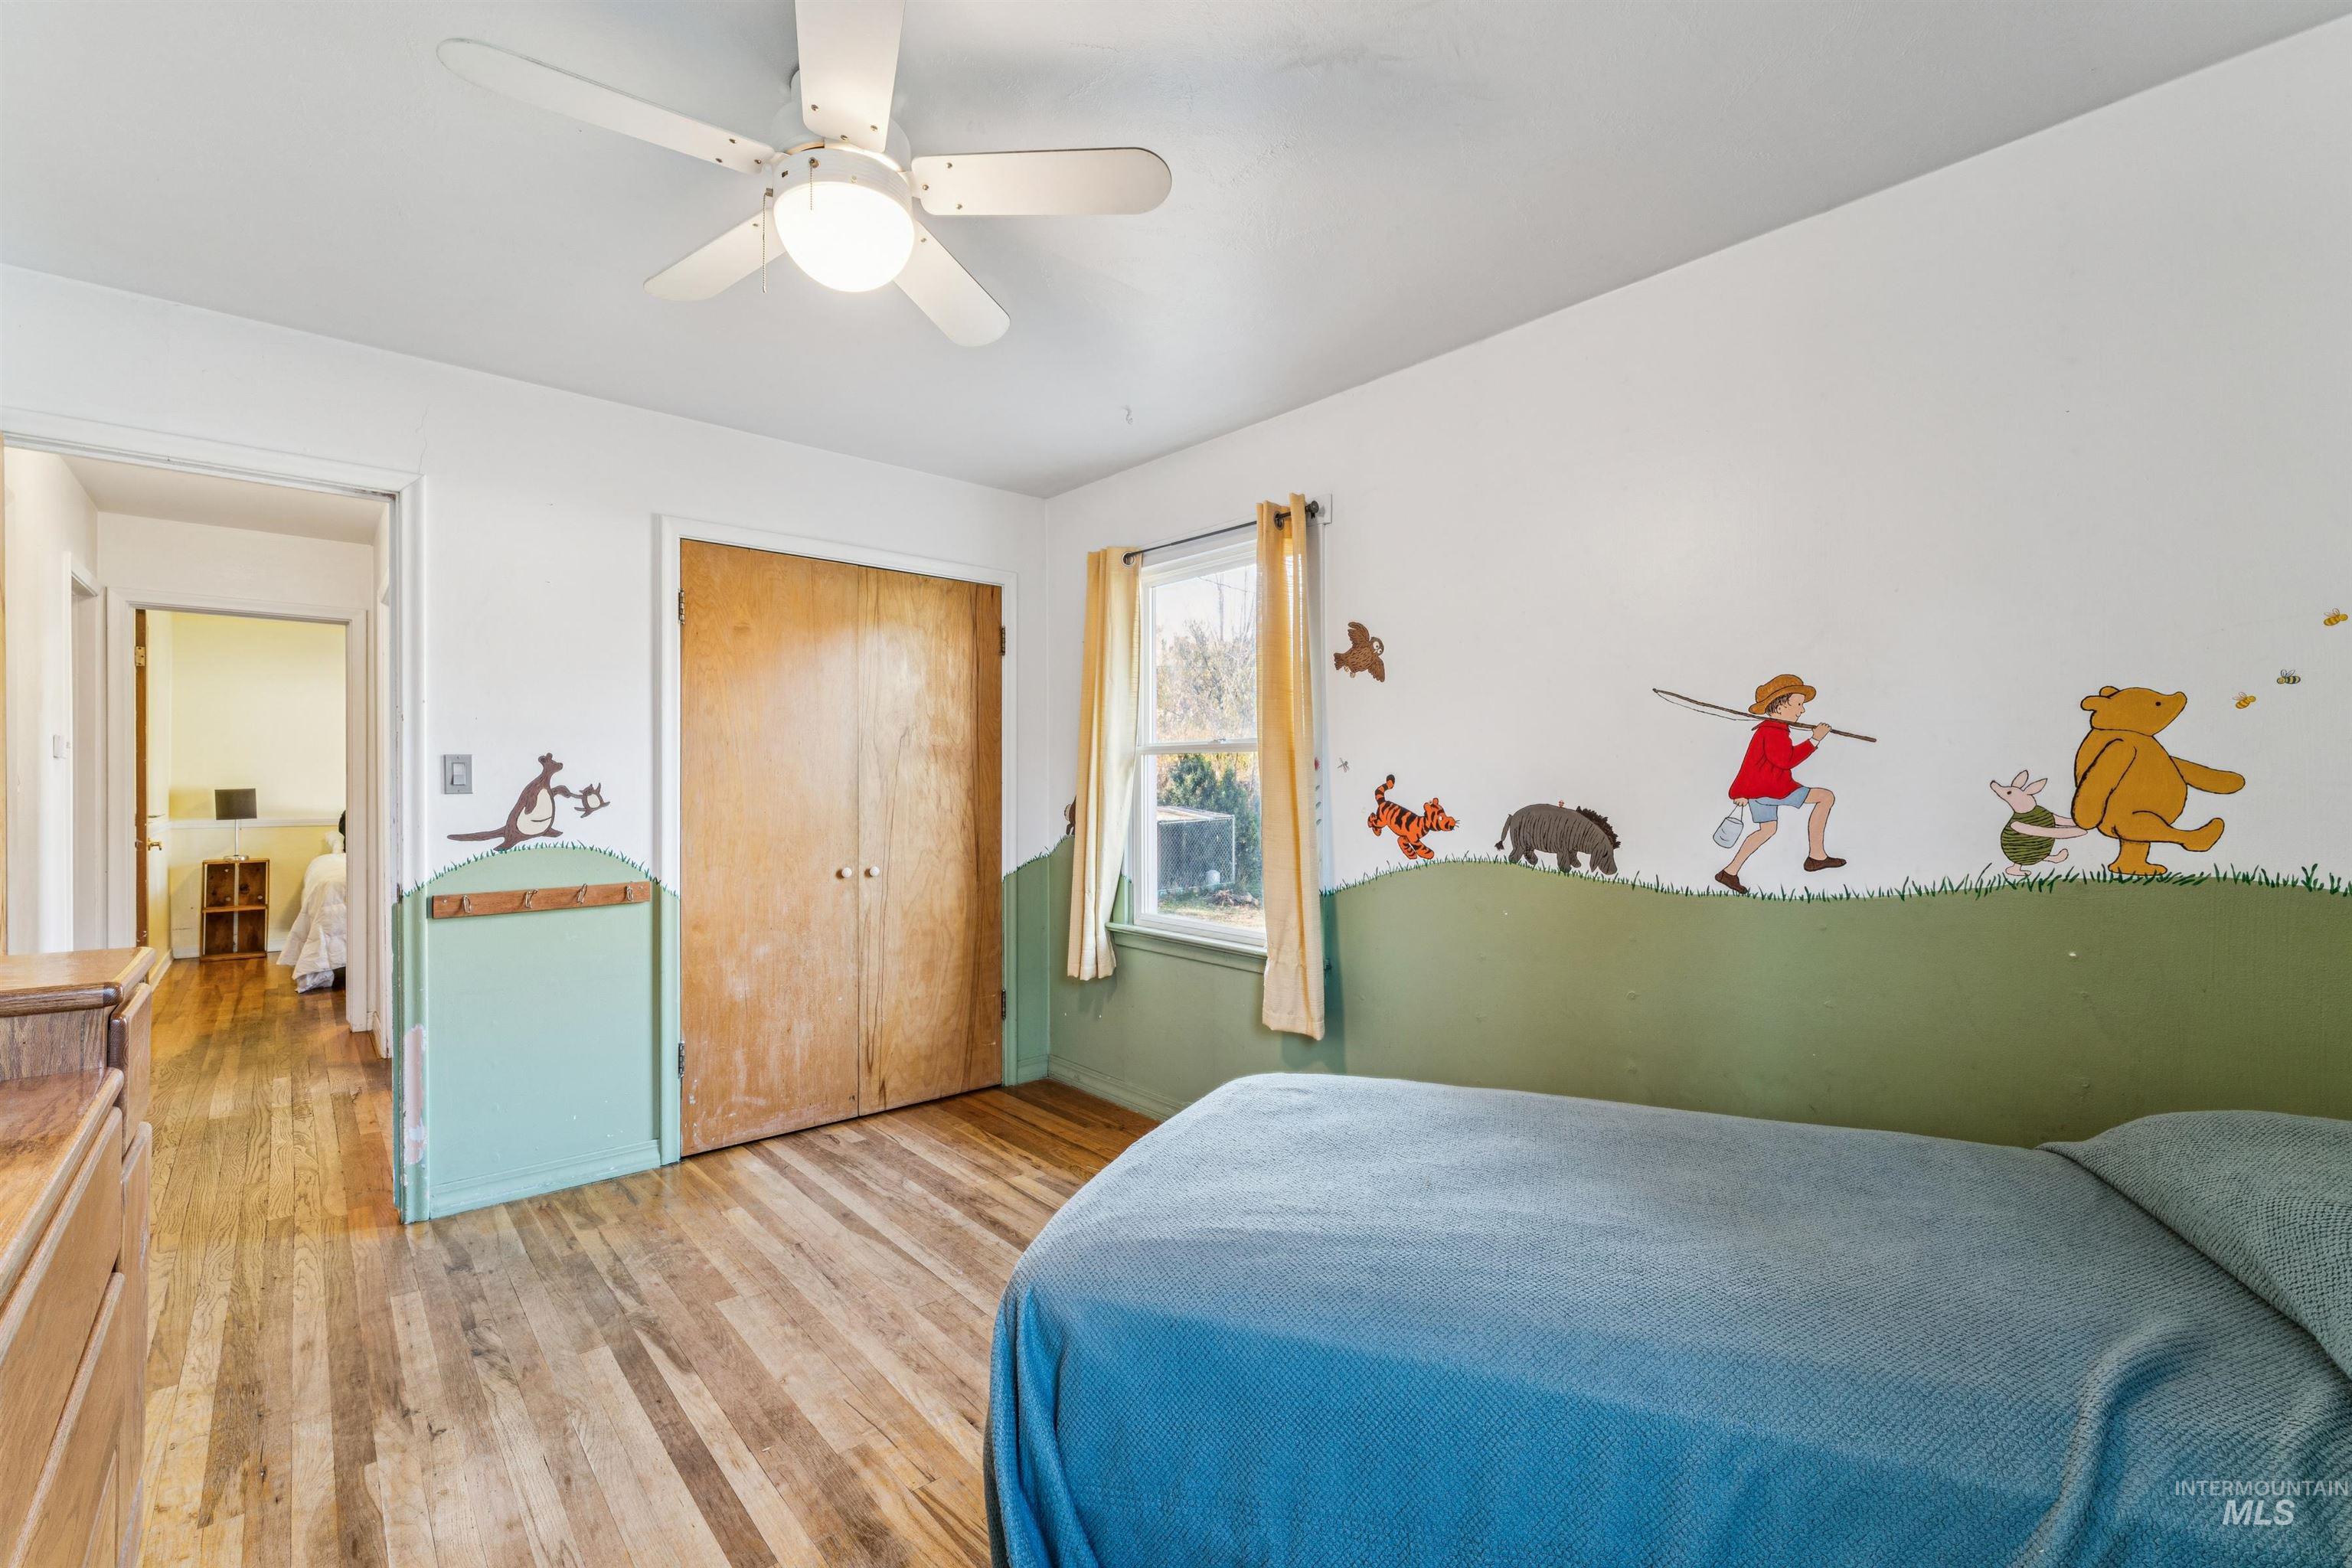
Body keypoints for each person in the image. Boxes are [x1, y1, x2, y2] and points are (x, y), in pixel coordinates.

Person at [1716, 674, 1844, 894]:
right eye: (1798, 704)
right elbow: (1786, 760)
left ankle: (1729, 872)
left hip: (1761, 790)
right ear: (1781, 705)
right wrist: (1815, 739)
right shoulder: (1774, 731)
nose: (1802, 711)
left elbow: (1750, 766)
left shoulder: (1770, 729)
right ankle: (1816, 856)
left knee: (1767, 830)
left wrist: (1741, 792)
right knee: (1826, 797)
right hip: (1774, 789)